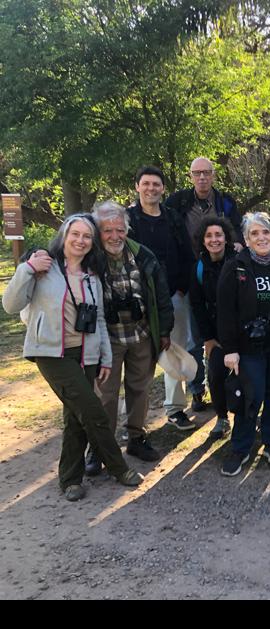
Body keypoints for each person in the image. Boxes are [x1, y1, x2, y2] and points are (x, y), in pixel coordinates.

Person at [1, 214, 142, 500]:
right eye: (75, 234)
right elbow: (10, 305)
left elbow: (99, 318)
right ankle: (119, 467)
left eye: (87, 236)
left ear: (92, 242)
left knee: (76, 417)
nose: (80, 240)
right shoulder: (43, 267)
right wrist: (27, 268)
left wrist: (105, 357)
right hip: (51, 353)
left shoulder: (92, 275)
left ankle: (70, 479)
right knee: (92, 411)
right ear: (64, 236)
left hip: (86, 353)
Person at [88, 201, 174, 473]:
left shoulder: (142, 255)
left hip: (141, 333)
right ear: (97, 232)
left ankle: (136, 438)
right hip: (107, 339)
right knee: (105, 394)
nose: (115, 236)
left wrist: (164, 330)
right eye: (107, 230)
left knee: (140, 389)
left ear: (127, 230)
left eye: (120, 230)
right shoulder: (90, 257)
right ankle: (99, 447)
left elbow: (162, 294)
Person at [216, 213, 270, 476]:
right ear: (246, 239)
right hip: (247, 344)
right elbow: (225, 311)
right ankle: (240, 448)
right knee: (250, 395)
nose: (261, 237)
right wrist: (230, 349)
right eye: (254, 233)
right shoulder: (235, 267)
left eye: (265, 232)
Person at [128, 165, 202, 429]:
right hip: (136, 298)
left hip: (172, 295)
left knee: (174, 349)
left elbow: (187, 254)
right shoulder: (127, 220)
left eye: (156, 184)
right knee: (137, 358)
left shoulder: (172, 218)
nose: (151, 188)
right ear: (137, 186)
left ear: (162, 188)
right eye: (146, 183)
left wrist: (182, 287)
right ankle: (134, 420)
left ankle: (175, 408)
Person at [189, 216, 238, 440]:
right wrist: (208, 338)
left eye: (219, 235)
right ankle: (222, 418)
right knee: (216, 374)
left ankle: (247, 415)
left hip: (240, 331)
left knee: (247, 374)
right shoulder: (198, 268)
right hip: (215, 334)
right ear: (203, 240)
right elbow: (197, 305)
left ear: (226, 238)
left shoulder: (239, 262)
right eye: (209, 236)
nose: (214, 239)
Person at [165, 157, 243, 252]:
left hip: (220, 258)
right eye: (197, 173)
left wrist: (239, 243)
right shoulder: (178, 201)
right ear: (191, 177)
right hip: (186, 259)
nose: (202, 177)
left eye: (206, 172)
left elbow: (237, 227)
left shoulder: (225, 201)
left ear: (213, 175)